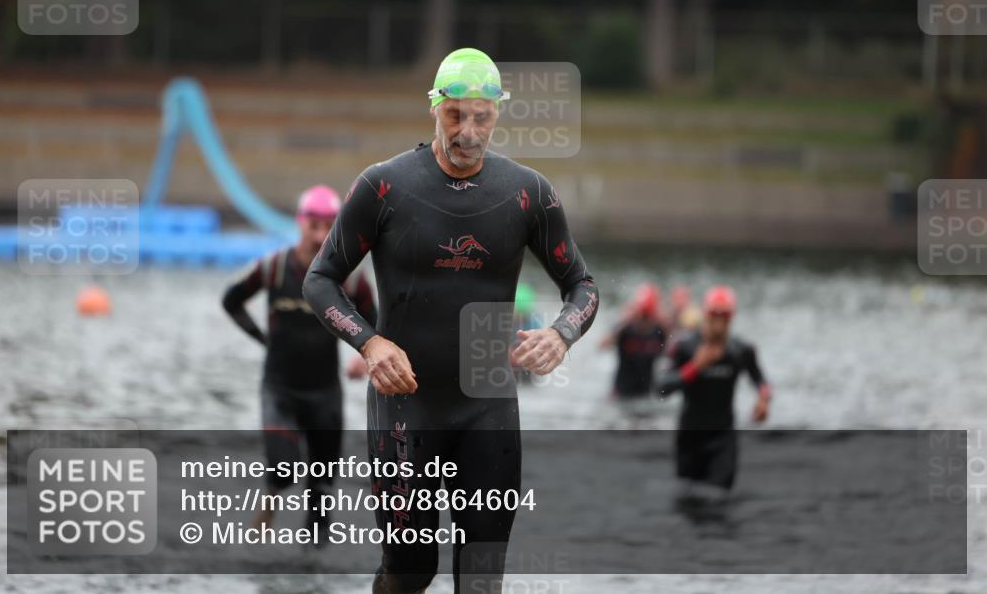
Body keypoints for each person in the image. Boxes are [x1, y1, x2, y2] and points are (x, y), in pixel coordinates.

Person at [303, 47, 599, 593]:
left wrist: (563, 334)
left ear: (497, 114)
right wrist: (370, 344)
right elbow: (320, 280)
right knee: (412, 572)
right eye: (454, 114)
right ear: (434, 107)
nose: (467, 131)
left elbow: (582, 286)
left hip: (487, 401)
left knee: (481, 579)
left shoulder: (528, 193)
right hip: (405, 401)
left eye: (481, 116)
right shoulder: (384, 187)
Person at [222, 185, 375, 533]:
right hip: (280, 390)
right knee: (283, 467)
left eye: (328, 227)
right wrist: (264, 340)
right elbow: (231, 301)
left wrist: (364, 354)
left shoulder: (349, 281)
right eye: (313, 226)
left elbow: (376, 322)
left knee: (321, 495)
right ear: (300, 223)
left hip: (325, 394)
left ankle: (313, 573)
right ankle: (272, 495)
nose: (320, 235)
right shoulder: (274, 268)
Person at [655, 286, 771, 494]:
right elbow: (660, 388)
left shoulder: (741, 350)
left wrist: (764, 398)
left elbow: (759, 378)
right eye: (713, 315)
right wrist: (694, 368)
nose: (718, 321)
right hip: (690, 436)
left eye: (724, 315)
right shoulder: (685, 347)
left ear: (731, 317)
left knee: (719, 499)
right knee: (689, 498)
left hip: (723, 436)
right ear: (704, 314)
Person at [599, 283, 667, 400]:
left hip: (646, 393)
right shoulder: (625, 330)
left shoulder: (660, 331)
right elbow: (602, 345)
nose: (644, 322)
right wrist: (625, 320)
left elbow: (673, 349)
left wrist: (664, 321)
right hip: (622, 392)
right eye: (642, 316)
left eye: (648, 316)